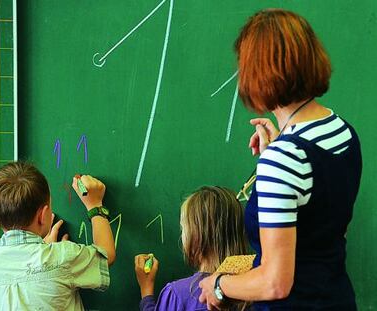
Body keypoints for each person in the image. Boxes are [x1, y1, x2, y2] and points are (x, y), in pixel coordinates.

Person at [198, 9, 362, 310]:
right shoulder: (343, 132)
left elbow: (275, 282)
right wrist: (280, 146)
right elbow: (322, 220)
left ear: (257, 74)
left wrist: (218, 285)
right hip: (337, 299)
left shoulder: (284, 159)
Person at [0, 162, 116, 310]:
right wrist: (95, 206)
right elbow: (106, 254)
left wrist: (44, 249)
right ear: (43, 215)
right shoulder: (62, 256)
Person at [135, 186, 249, 311]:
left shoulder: (178, 295)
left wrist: (146, 291)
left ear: (195, 235)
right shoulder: (254, 290)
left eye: (183, 228)